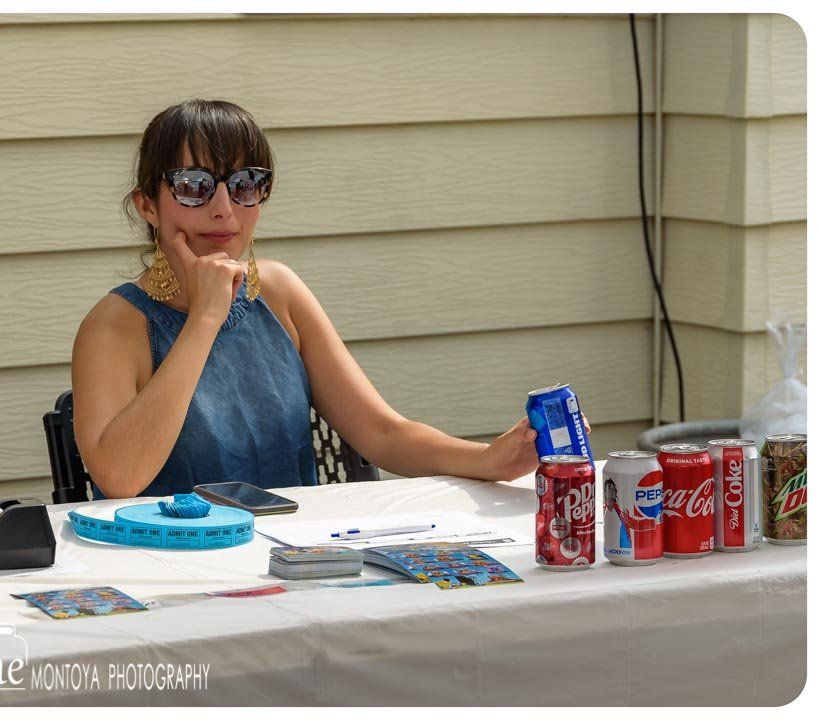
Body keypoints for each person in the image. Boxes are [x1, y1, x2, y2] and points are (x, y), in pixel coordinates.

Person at [71, 99, 588, 500]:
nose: (224, 209)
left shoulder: (279, 291)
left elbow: (382, 434)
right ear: (148, 205)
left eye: (246, 184)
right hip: (167, 575)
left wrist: (490, 459)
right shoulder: (115, 327)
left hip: (294, 564)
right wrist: (205, 318)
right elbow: (121, 478)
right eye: (194, 186)